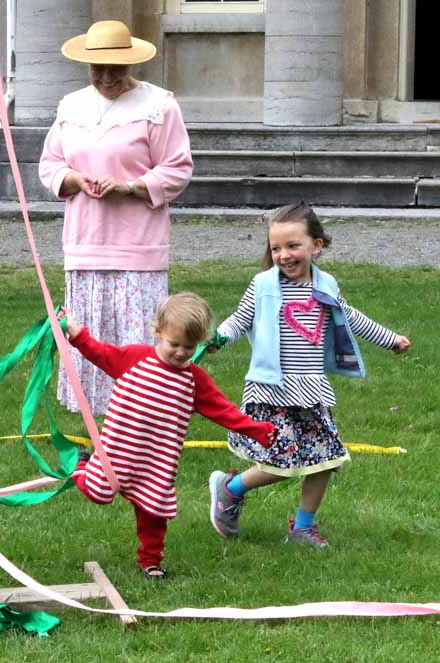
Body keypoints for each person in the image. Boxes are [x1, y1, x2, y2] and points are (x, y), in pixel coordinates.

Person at [207, 202, 411, 547]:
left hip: (311, 390)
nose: (284, 255)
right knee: (279, 463)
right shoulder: (263, 285)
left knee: (325, 460)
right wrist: (220, 339)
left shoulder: (327, 286)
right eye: (276, 248)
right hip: (272, 391)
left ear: (316, 245)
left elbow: (352, 318)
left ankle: (302, 529)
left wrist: (390, 339)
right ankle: (230, 488)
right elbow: (239, 318)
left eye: (292, 246)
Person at [63, 293, 277, 578]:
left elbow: (223, 411)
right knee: (99, 493)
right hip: (118, 452)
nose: (180, 353)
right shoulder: (134, 359)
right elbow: (98, 352)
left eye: (188, 347)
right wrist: (76, 333)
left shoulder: (194, 380)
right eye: (174, 344)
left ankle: (150, 561)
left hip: (156, 461)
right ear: (158, 331)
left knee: (154, 511)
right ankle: (81, 467)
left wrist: (257, 430)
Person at [39, 20, 193, 416]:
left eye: (115, 69)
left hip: (137, 248)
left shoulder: (159, 106)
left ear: (130, 64)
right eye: (97, 69)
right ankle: (102, 440)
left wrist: (130, 186)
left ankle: (140, 432)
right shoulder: (70, 106)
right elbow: (50, 164)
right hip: (85, 245)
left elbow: (177, 169)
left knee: (136, 348)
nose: (106, 77)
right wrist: (73, 178)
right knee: (90, 343)